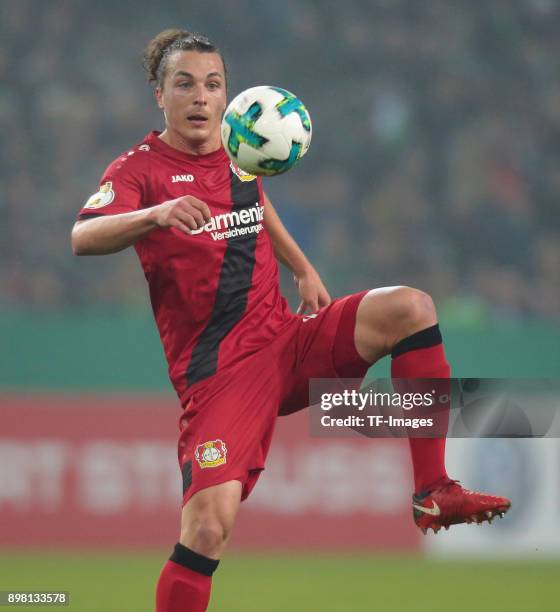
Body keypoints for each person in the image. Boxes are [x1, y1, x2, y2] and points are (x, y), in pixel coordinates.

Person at [72, 29, 511, 612]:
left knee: (411, 307)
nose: (201, 97)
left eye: (212, 84)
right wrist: (156, 214)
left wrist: (302, 267)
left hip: (287, 337)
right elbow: (83, 235)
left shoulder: (237, 148)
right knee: (206, 530)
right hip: (222, 377)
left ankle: (434, 490)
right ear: (160, 95)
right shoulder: (139, 169)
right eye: (185, 85)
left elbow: (254, 201)